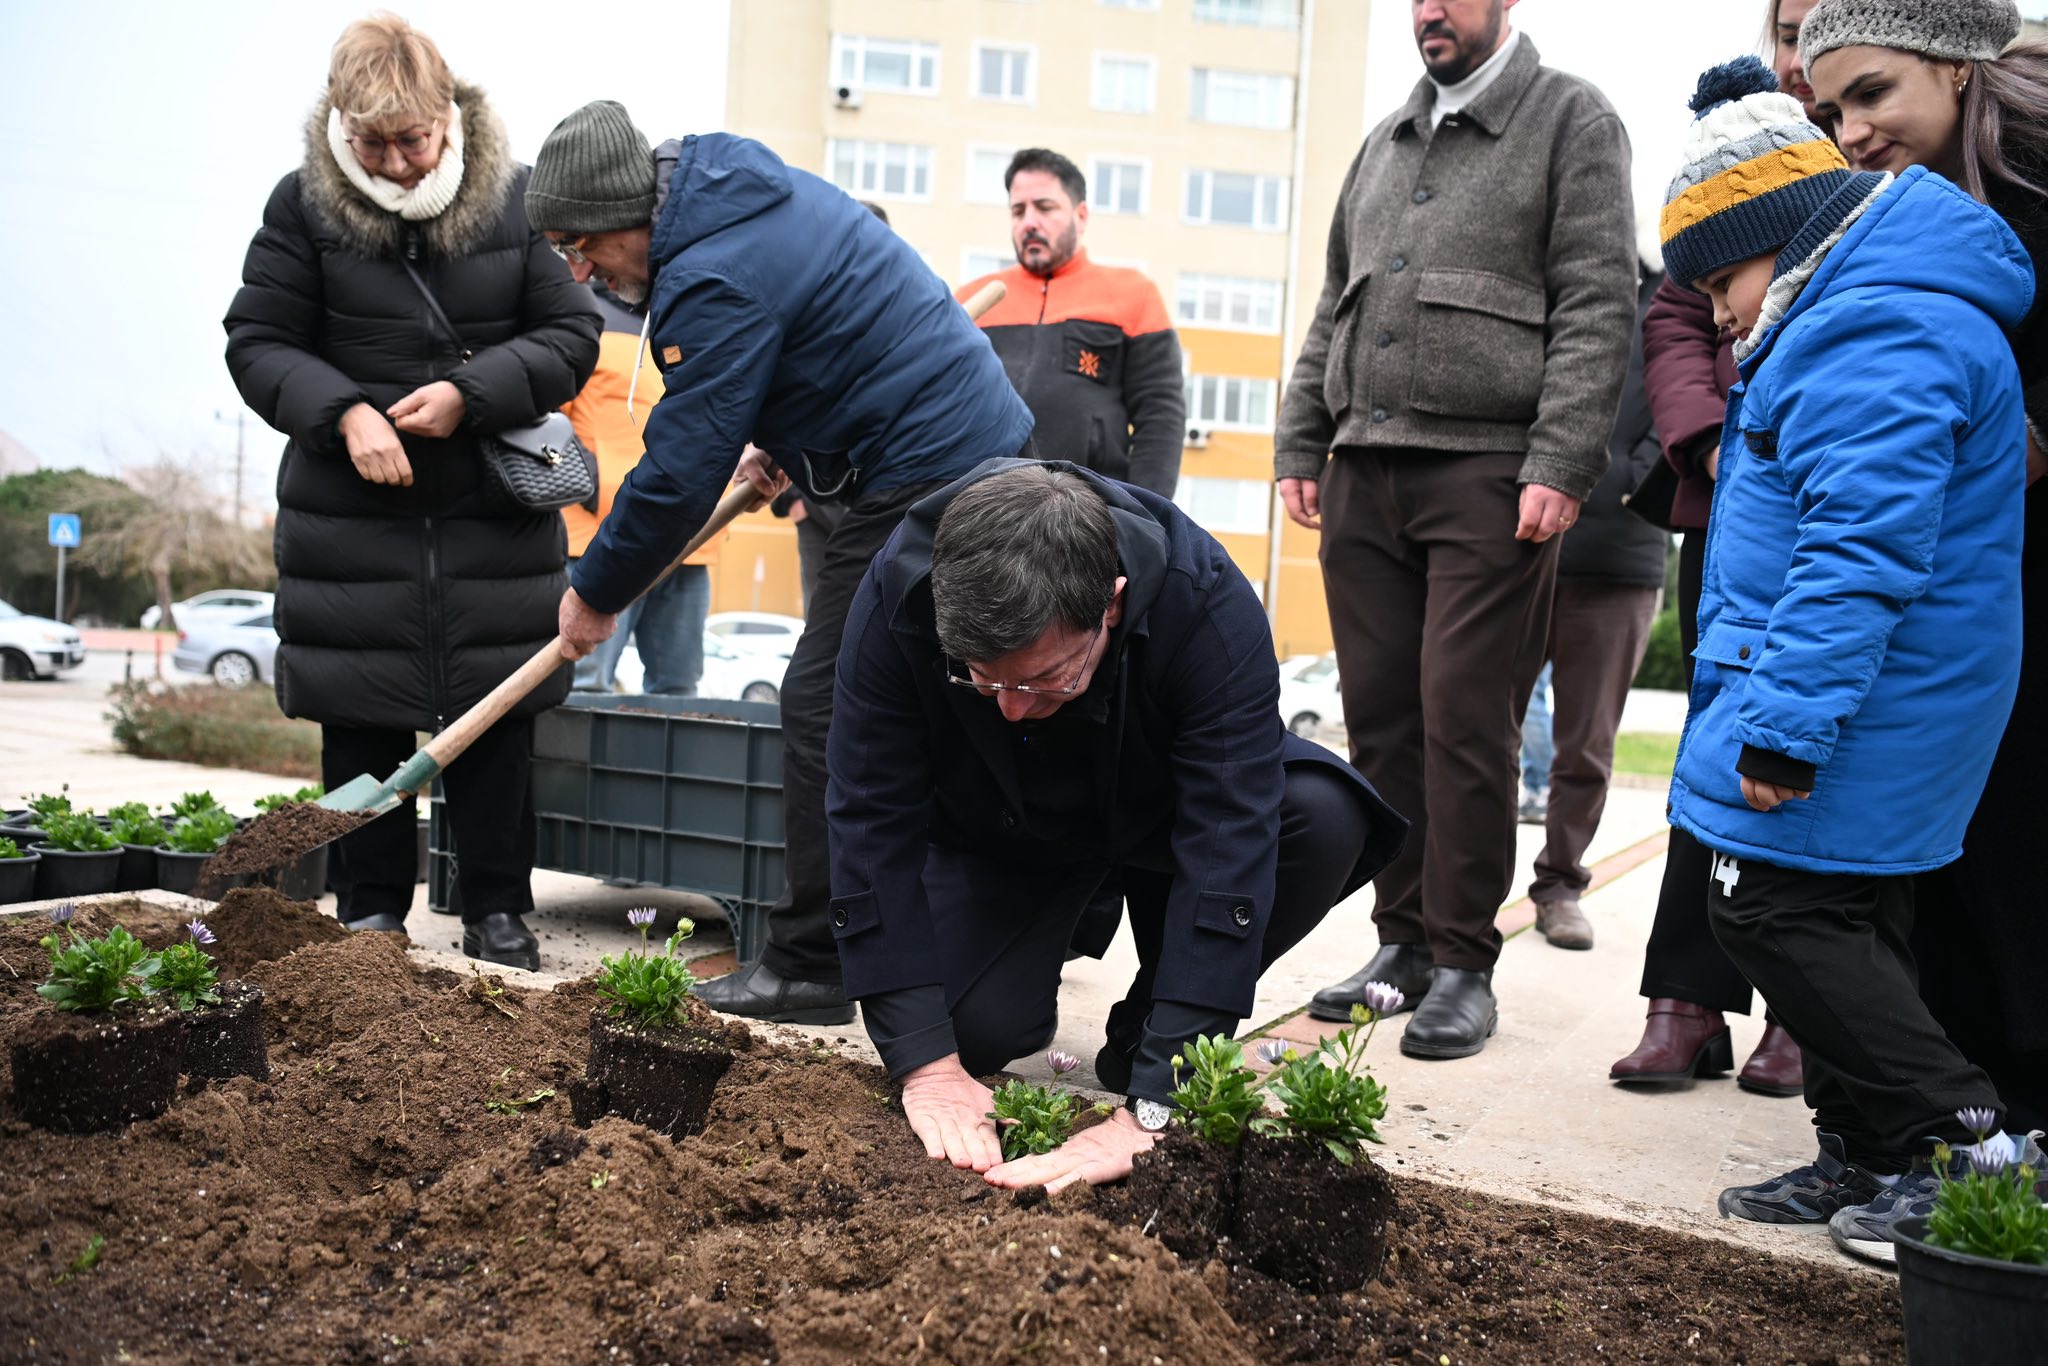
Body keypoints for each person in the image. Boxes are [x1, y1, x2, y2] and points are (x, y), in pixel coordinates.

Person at [524, 102, 1034, 1024]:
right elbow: (813, 346)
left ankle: (812, 964)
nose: (580, 269)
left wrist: (595, 589)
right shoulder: (728, 202)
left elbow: (678, 467)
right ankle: (950, 935)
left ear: (624, 218)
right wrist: (781, 437)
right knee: (927, 701)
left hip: (929, 467)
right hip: (949, 443)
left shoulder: (709, 270)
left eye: (581, 245)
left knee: (829, 700)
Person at [1656, 54, 2038, 1264]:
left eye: (1722, 278)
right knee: (1849, 914)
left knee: (1777, 908)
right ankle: (1862, 1145)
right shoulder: (1839, 316)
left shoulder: (1874, 328)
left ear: (1787, 235)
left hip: (1872, 695)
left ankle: (1964, 1135)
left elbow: (1857, 552)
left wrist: (1784, 722)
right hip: (1862, 688)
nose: (1716, 313)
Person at [827, 462, 1404, 1190]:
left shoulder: (1209, 604)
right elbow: (868, 817)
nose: (1008, 708)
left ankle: (1148, 1033)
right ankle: (1039, 950)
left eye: (1046, 680)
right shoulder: (898, 592)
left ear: (1111, 606)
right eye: (982, 678)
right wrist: (926, 1065)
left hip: (1164, 816)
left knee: (1321, 815)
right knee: (970, 1032)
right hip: (1004, 827)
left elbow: (1231, 835)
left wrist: (1158, 1105)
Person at [1278, 0, 1639, 1059]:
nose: (1428, 11)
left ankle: (1465, 961)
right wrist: (1303, 437)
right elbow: (1332, 306)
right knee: (1381, 719)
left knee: (1463, 716)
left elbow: (1595, 300)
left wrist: (1562, 460)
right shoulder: (1382, 141)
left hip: (1489, 469)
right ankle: (1401, 946)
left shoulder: (1571, 119)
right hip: (1363, 465)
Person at [222, 15, 600, 971]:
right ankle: (371, 912)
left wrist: (472, 395)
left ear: (449, 115)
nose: (393, 161)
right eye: (371, 141)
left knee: (497, 723)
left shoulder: (516, 203)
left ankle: (497, 910)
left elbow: (571, 336)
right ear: (340, 126)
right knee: (360, 721)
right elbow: (258, 342)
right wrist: (345, 413)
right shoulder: (300, 208)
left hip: (489, 518)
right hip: (351, 522)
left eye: (412, 138)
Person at [1802, 0, 2048, 1143]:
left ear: (1955, 68)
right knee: (1948, 840)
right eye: (1829, 107)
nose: (1849, 130)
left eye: (1870, 93)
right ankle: (1964, 1112)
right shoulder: (1904, 207)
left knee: (2011, 841)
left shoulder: (2030, 171)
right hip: (1966, 559)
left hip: (2014, 546)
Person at [1615, 0, 1816, 1099]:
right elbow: (1673, 315)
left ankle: (1801, 1011)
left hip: (1827, 493)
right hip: (1723, 496)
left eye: (1813, 25)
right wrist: (1706, 435)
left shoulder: (1872, 152)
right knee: (1714, 737)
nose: (1793, 49)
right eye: (1782, 24)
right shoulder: (1730, 149)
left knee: (1811, 747)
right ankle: (1684, 999)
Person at [1522, 265, 1670, 951]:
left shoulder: (1677, 293)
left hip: (1620, 556)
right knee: (1479, 729)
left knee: (1586, 747)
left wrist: (1633, 482)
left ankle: (1559, 885)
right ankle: (1463, 891)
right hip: (1516, 546)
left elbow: (1695, 396)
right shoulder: (1545, 278)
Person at [956, 149, 1184, 497]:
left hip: (1089, 513)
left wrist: (1146, 514)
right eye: (1018, 211)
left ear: (1081, 214)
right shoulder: (972, 299)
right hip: (982, 507)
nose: (1029, 221)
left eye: (1045, 207)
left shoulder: (1134, 294)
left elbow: (1160, 418)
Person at [562, 284, 723, 697]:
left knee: (678, 689)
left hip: (689, 543)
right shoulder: (582, 319)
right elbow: (548, 420)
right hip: (602, 541)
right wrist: (595, 484)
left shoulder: (695, 318)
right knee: (585, 682)